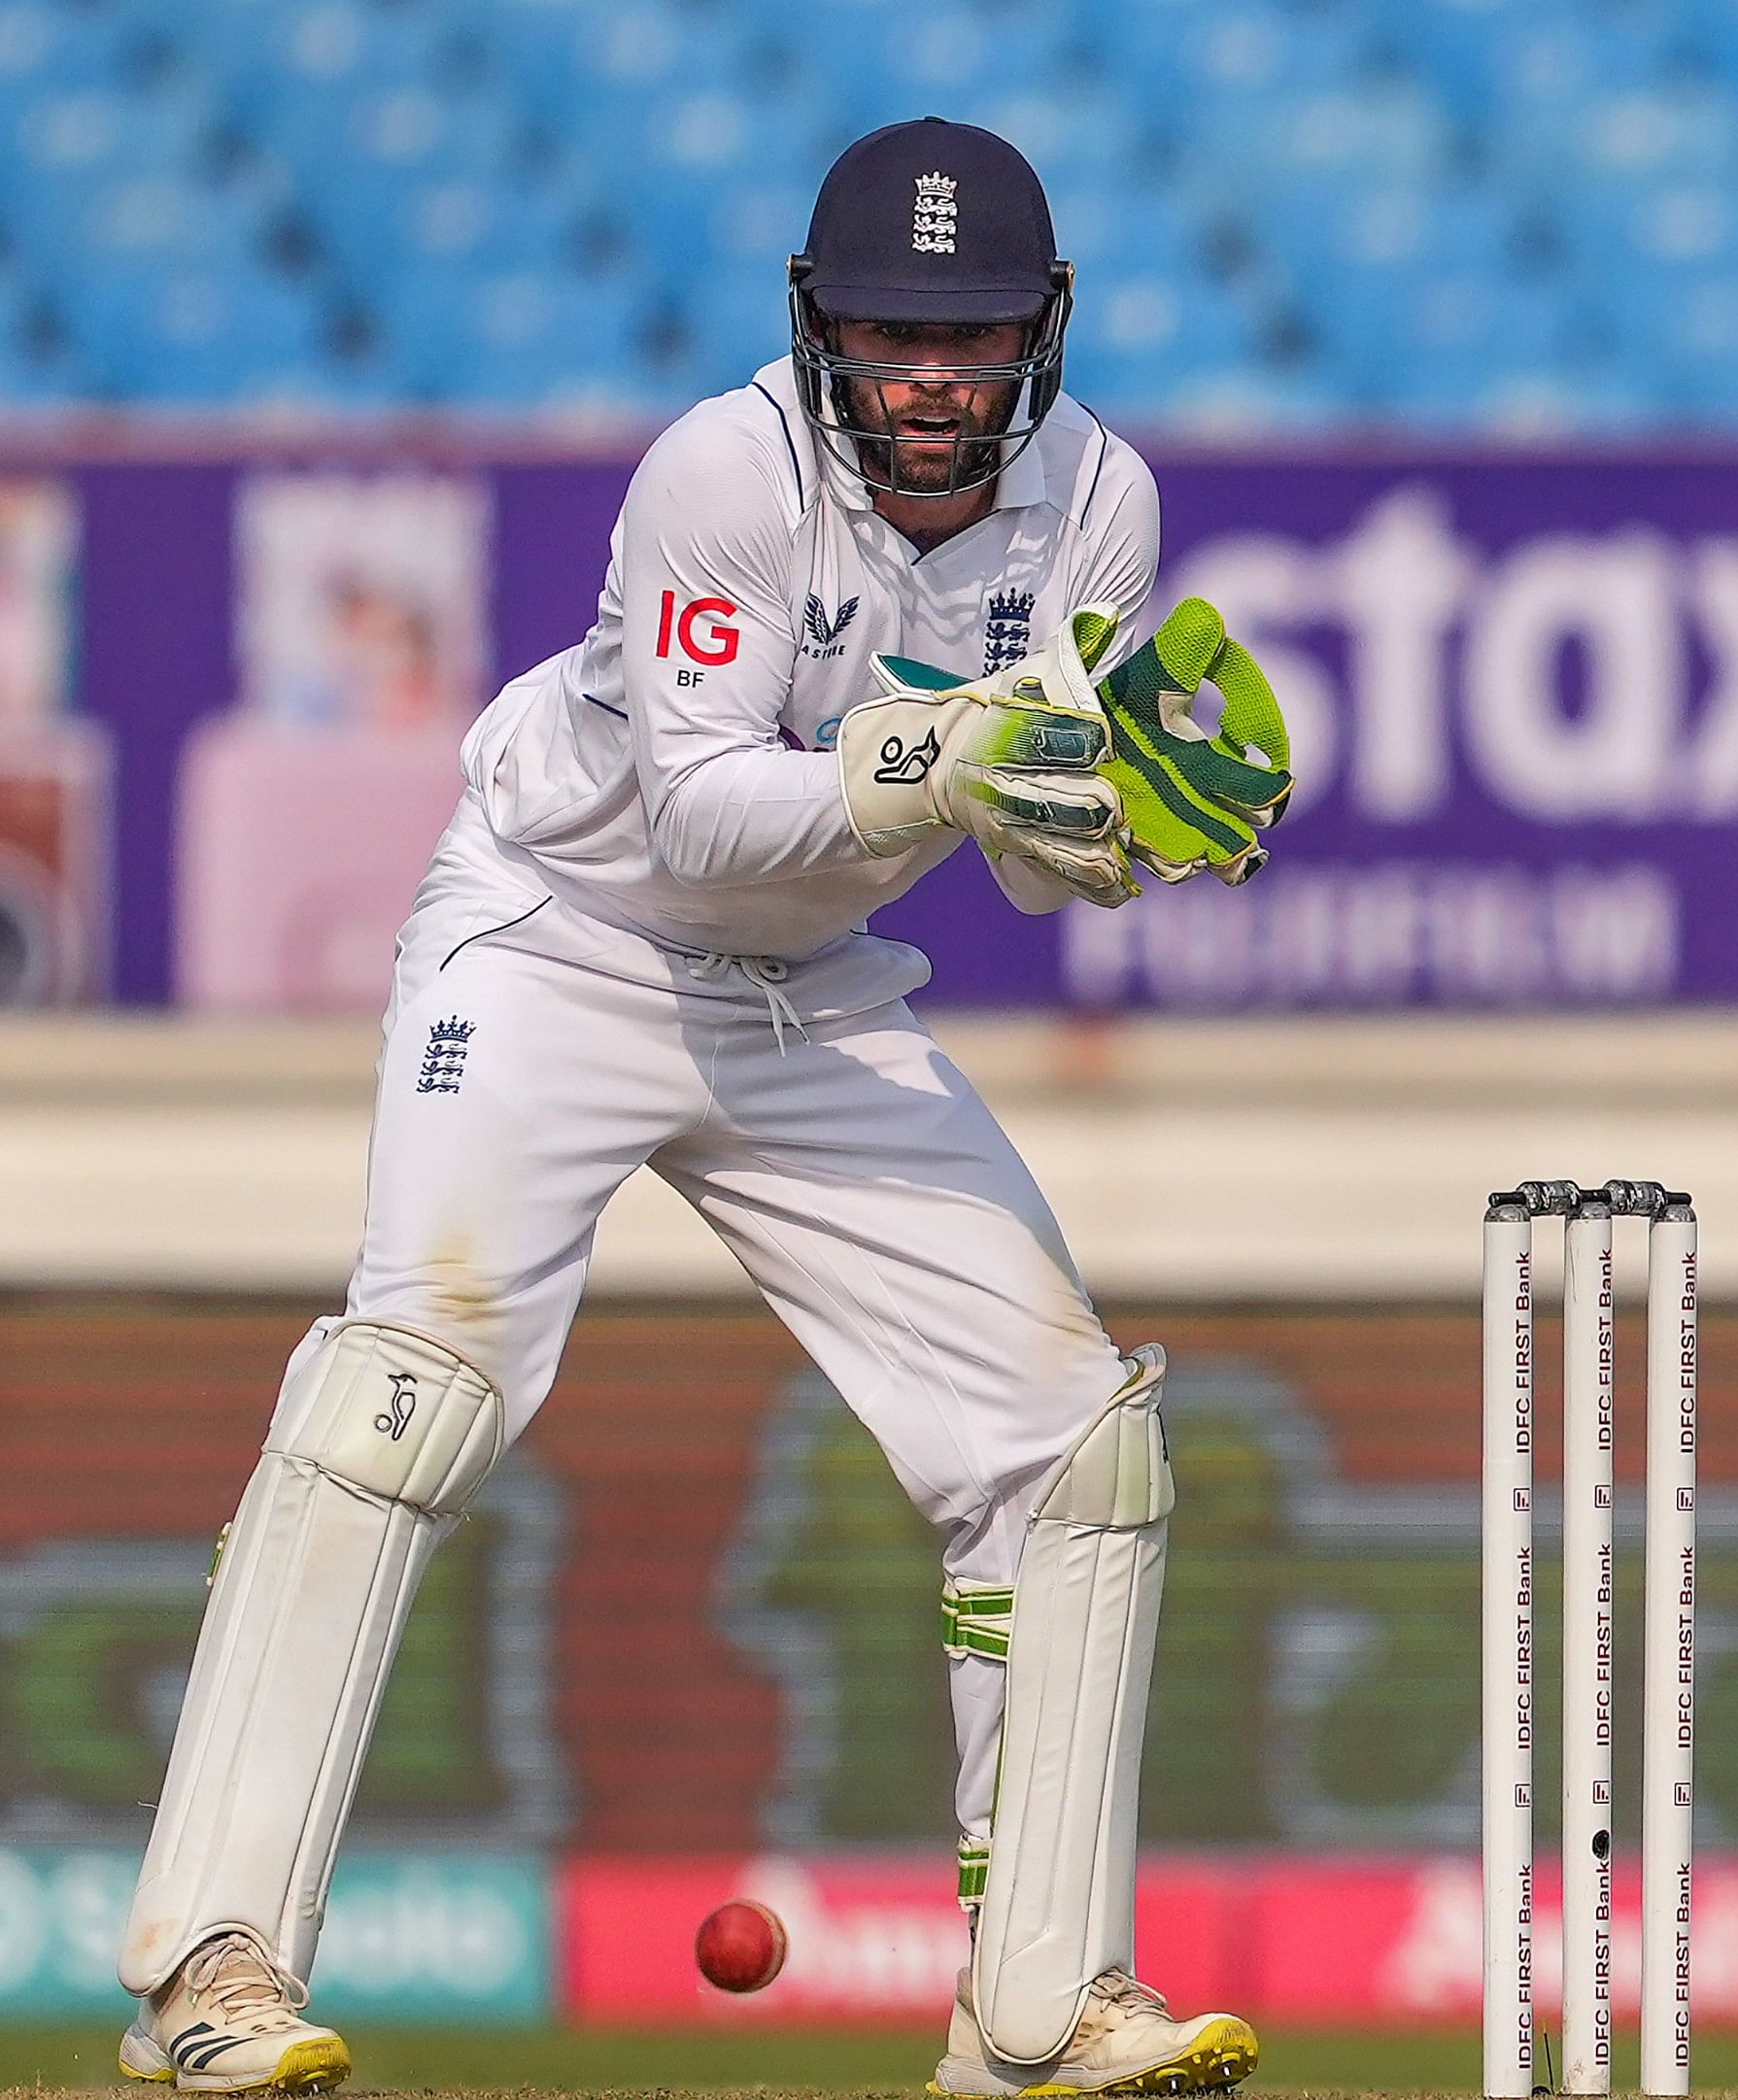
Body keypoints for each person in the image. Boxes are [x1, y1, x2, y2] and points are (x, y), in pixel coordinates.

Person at [115, 120, 1278, 2097]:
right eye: (896, 338)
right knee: (413, 1389)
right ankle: (208, 1974)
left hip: (810, 991)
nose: (934, 382)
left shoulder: (1100, 503)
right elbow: (700, 802)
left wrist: (1100, 834)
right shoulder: (721, 474)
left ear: (1044, 334)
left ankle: (1044, 2010)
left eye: (974, 338)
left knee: (1073, 1444)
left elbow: (1011, 856)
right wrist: (950, 753)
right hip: (562, 943)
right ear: (822, 330)